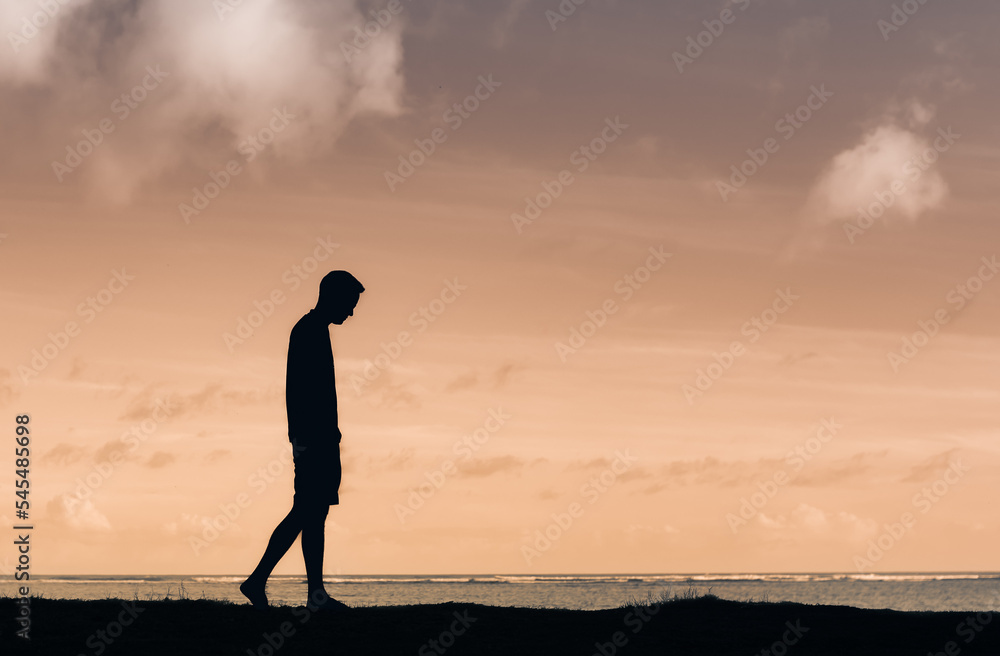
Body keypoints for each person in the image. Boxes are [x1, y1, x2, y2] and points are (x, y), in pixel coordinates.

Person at [241, 270, 364, 612]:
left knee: (313, 513)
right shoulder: (308, 331)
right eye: (350, 304)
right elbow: (297, 390)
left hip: (320, 438)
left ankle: (310, 592)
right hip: (313, 440)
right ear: (334, 297)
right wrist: (300, 437)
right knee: (307, 511)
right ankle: (270, 583)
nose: (351, 312)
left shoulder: (315, 330)